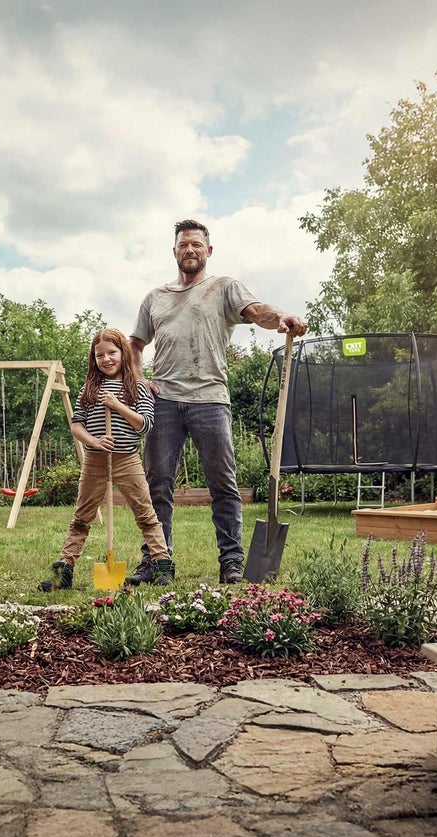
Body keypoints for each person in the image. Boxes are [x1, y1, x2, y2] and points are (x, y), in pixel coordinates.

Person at [127, 219, 307, 586]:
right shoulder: (154, 297)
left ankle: (232, 562)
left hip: (210, 400)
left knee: (223, 484)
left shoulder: (224, 288)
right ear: (174, 251)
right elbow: (134, 345)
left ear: (208, 251)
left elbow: (257, 312)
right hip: (162, 401)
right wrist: (140, 380)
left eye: (196, 244)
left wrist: (282, 318)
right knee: (156, 484)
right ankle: (157, 560)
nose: (189, 250)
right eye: (183, 245)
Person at [39, 328, 175, 591]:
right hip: (95, 461)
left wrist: (117, 405)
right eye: (100, 355)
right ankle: (63, 572)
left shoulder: (138, 388)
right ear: (94, 359)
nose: (106, 359)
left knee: (146, 514)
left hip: (127, 460)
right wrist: (94, 441)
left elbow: (144, 425)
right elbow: (76, 426)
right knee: (81, 516)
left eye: (112, 352)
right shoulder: (88, 389)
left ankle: (162, 567)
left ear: (124, 353)